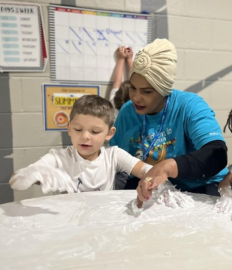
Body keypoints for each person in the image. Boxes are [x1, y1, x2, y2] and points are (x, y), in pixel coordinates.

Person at [109, 38, 228, 202]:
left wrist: (168, 167)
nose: (136, 97)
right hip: (156, 186)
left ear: (164, 90)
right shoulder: (128, 111)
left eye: (147, 92)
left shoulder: (189, 106)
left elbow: (216, 154)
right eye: (133, 88)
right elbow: (116, 157)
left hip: (199, 186)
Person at [110, 46, 133, 119]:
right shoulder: (140, 111)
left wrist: (120, 59)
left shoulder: (114, 104)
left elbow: (117, 81)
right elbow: (136, 79)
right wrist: (129, 59)